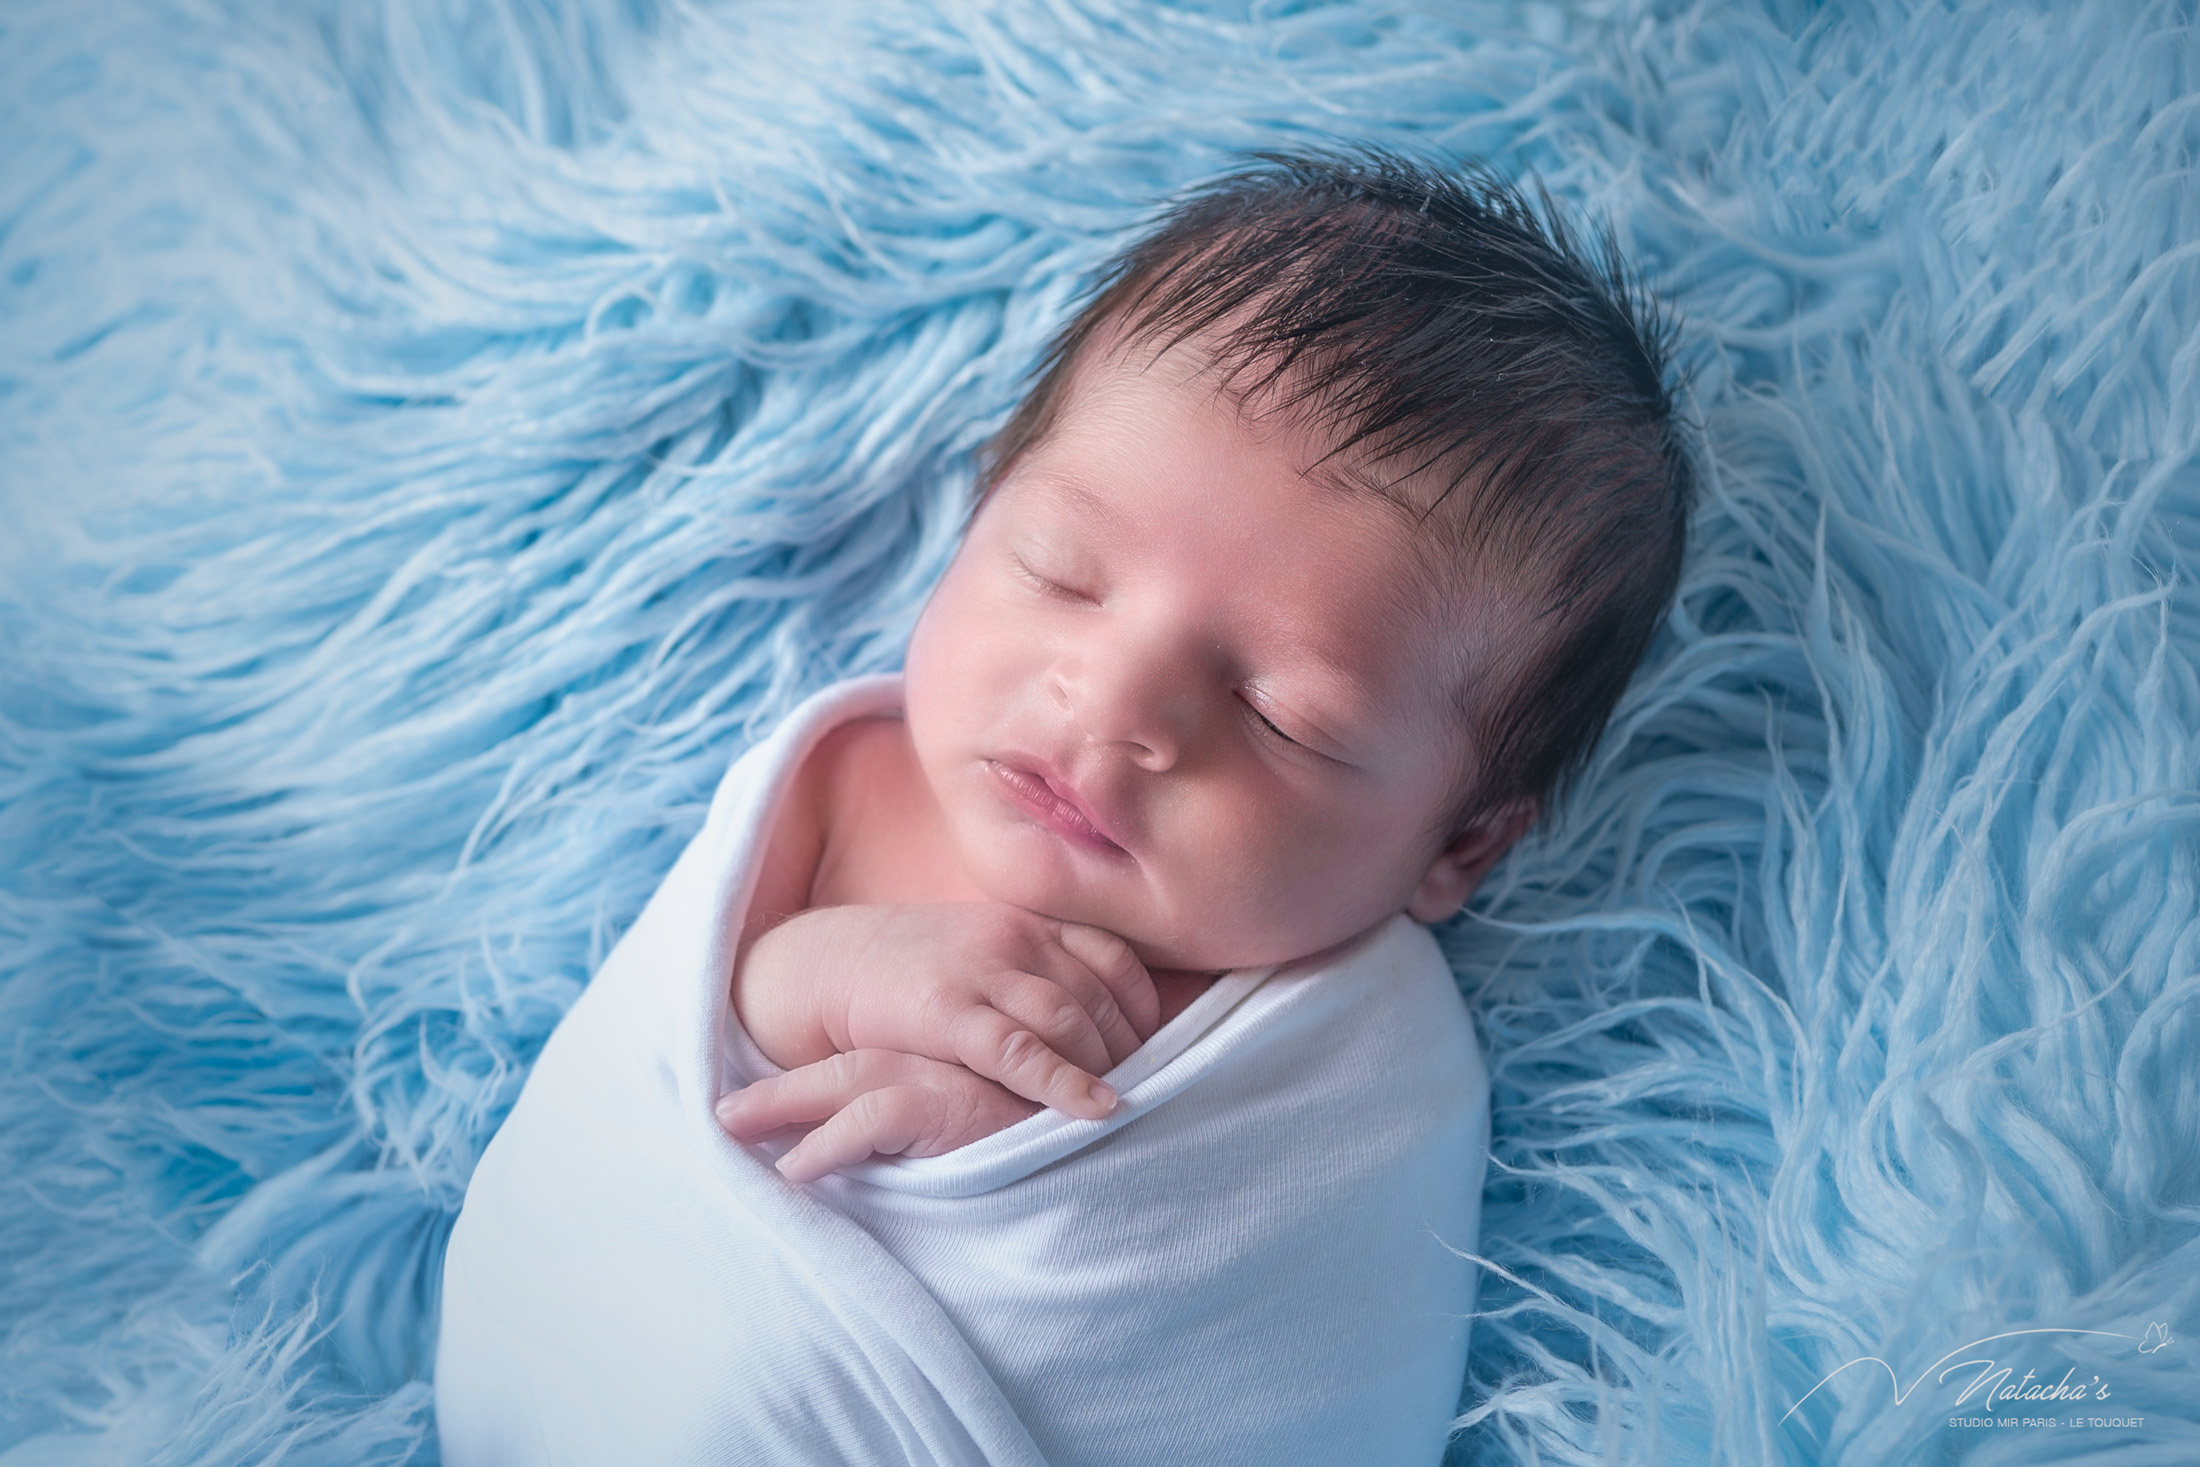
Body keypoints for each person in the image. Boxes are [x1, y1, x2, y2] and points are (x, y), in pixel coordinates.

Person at [435, 147, 1690, 1467]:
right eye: (1065, 572)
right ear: (982, 514)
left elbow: (1304, 1353)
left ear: (1459, 845)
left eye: (1282, 714)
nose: (1118, 707)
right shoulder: (842, 782)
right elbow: (669, 1054)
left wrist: (1035, 1158)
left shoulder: (1362, 1056)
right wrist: (801, 986)